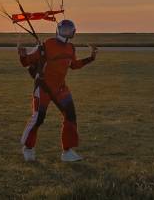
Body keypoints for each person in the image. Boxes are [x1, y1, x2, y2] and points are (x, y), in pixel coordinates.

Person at [17, 19, 98, 162]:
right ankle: (28, 148)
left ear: (73, 32)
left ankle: (67, 152)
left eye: (69, 30)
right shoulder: (47, 44)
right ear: (58, 30)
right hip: (43, 88)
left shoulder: (70, 48)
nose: (66, 32)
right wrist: (22, 55)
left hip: (60, 88)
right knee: (39, 118)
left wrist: (91, 58)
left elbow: (74, 65)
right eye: (64, 29)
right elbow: (27, 62)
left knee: (71, 116)